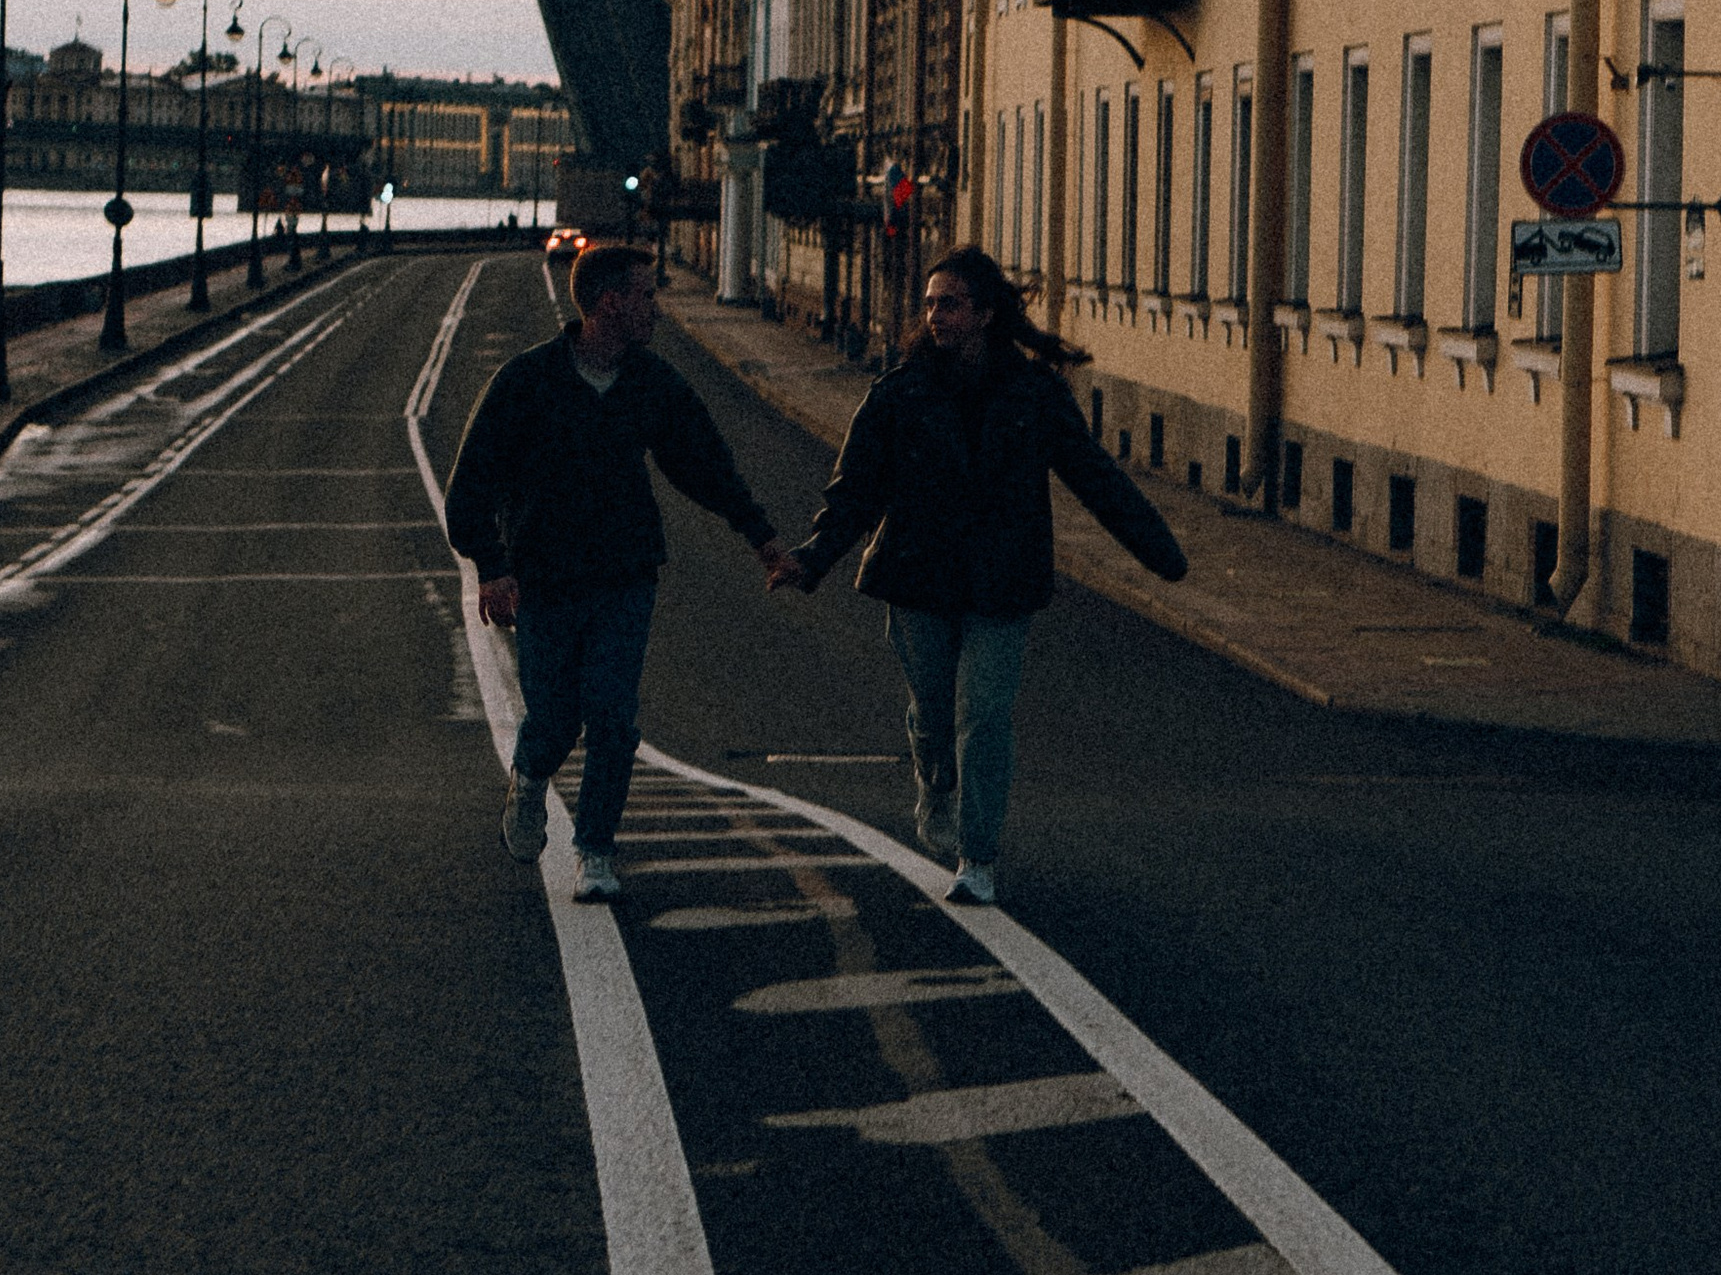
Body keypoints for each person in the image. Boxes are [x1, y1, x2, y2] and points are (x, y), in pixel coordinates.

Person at [768, 245, 1186, 905]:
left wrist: (1159, 551)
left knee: (984, 715)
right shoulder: (899, 393)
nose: (936, 315)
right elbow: (856, 492)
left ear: (987, 314)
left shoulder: (1034, 394)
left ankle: (977, 858)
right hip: (917, 578)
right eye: (930, 304)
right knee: (937, 716)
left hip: (1002, 579)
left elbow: (1095, 476)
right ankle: (934, 776)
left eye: (951, 304)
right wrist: (813, 557)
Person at [446, 242, 789, 899]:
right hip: (545, 578)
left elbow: (704, 465)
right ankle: (529, 778)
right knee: (554, 720)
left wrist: (762, 538)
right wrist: (492, 566)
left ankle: (595, 851)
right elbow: (472, 482)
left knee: (612, 717)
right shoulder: (527, 381)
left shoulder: (652, 383)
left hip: (625, 575)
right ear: (610, 303)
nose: (656, 308)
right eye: (646, 295)